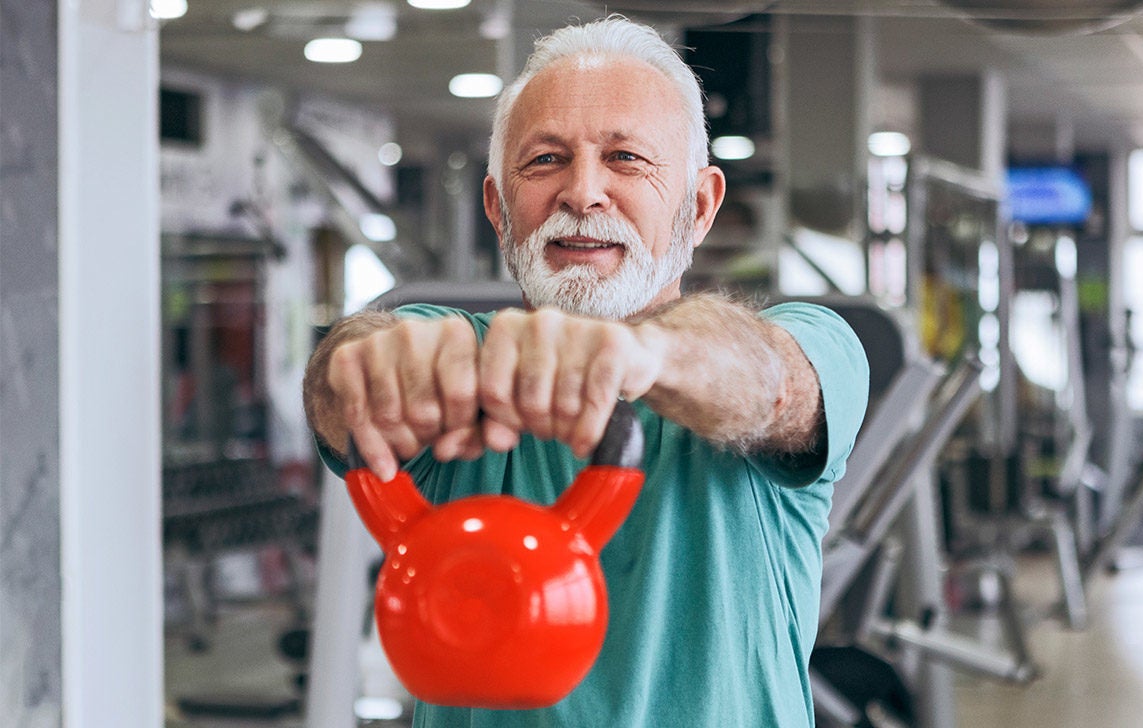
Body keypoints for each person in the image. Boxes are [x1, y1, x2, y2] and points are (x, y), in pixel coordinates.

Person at [303, 15, 869, 728]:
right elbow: (344, 380)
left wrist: (640, 354)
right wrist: (366, 366)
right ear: (498, 211)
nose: (583, 192)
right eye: (545, 161)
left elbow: (772, 381)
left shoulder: (811, 342)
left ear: (699, 207)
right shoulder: (459, 356)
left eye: (626, 159)